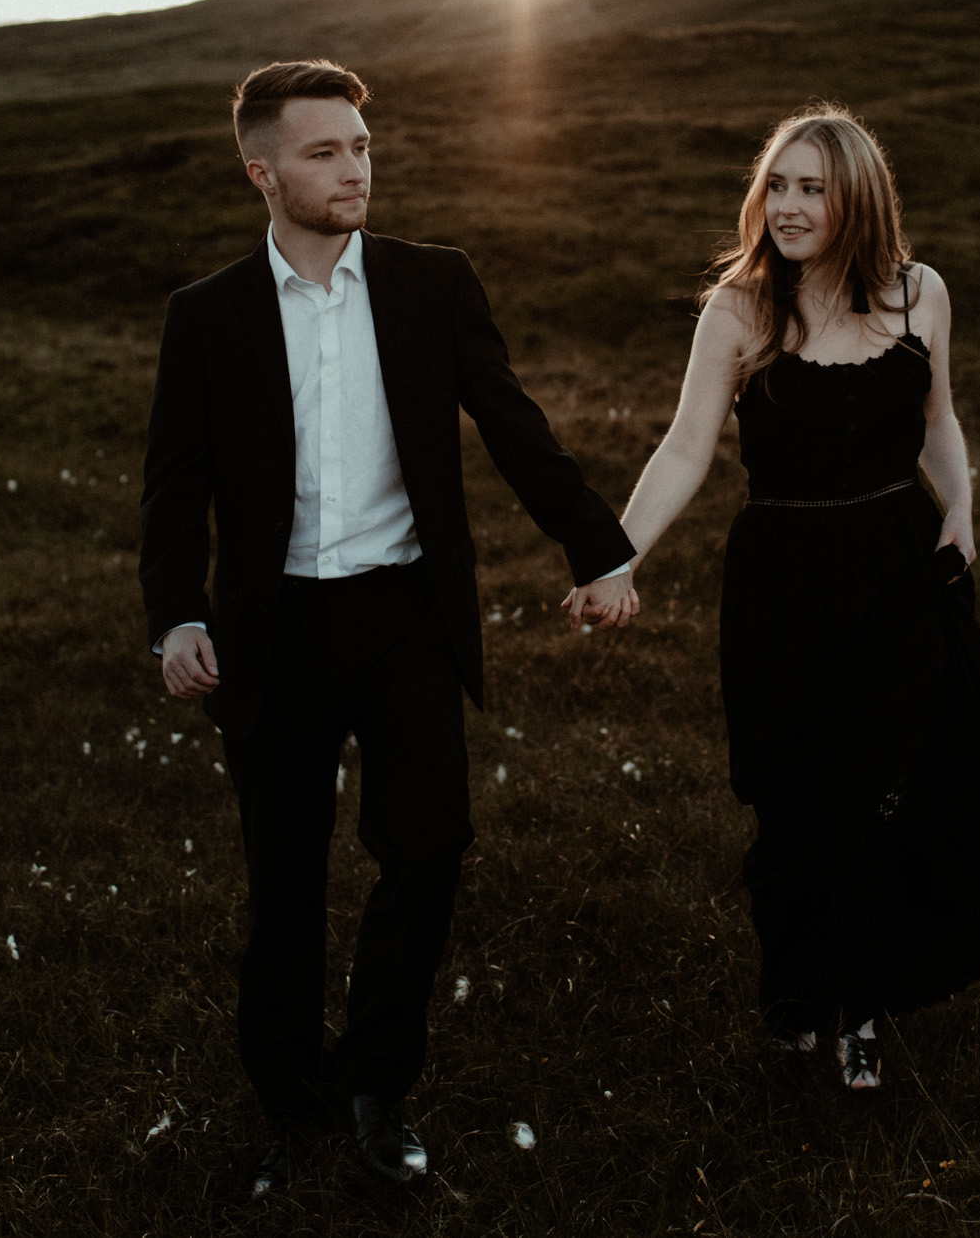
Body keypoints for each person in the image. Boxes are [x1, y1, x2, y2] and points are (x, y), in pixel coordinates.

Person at [138, 60, 637, 1195]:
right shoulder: (206, 317)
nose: (354, 168)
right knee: (287, 879)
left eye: (361, 146)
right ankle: (290, 1103)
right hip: (273, 631)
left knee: (426, 849)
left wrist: (598, 547)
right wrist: (175, 617)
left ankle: (377, 1083)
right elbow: (175, 490)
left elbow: (514, 426)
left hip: (404, 614)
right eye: (325, 152)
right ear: (262, 172)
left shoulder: (430, 284)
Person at [611, 103, 980, 1089]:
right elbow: (685, 447)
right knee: (795, 797)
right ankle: (802, 989)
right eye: (779, 184)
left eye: (814, 187)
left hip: (898, 569)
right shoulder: (737, 309)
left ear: (859, 198)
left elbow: (938, 416)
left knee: (880, 793)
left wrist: (963, 505)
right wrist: (620, 555)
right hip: (783, 580)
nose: (791, 205)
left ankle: (861, 1003)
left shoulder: (919, 294)